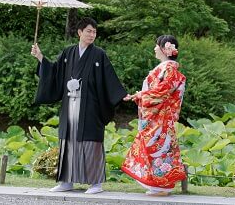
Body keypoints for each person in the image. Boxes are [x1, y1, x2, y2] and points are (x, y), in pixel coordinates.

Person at [30, 17, 127, 194]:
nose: (92, 35)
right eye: (89, 31)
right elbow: (55, 72)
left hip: (91, 107)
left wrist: (120, 94)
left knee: (91, 143)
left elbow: (109, 79)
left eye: (94, 32)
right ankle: (67, 181)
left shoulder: (99, 54)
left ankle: (95, 183)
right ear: (80, 32)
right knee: (68, 141)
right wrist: (40, 57)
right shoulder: (68, 53)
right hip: (69, 104)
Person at [121, 35, 187, 196]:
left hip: (161, 118)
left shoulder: (168, 69)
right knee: (157, 149)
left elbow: (160, 93)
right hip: (159, 117)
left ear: (165, 49)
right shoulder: (166, 68)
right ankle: (158, 185)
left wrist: (139, 96)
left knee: (158, 150)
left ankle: (162, 186)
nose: (155, 48)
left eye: (157, 45)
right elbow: (156, 91)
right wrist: (141, 95)